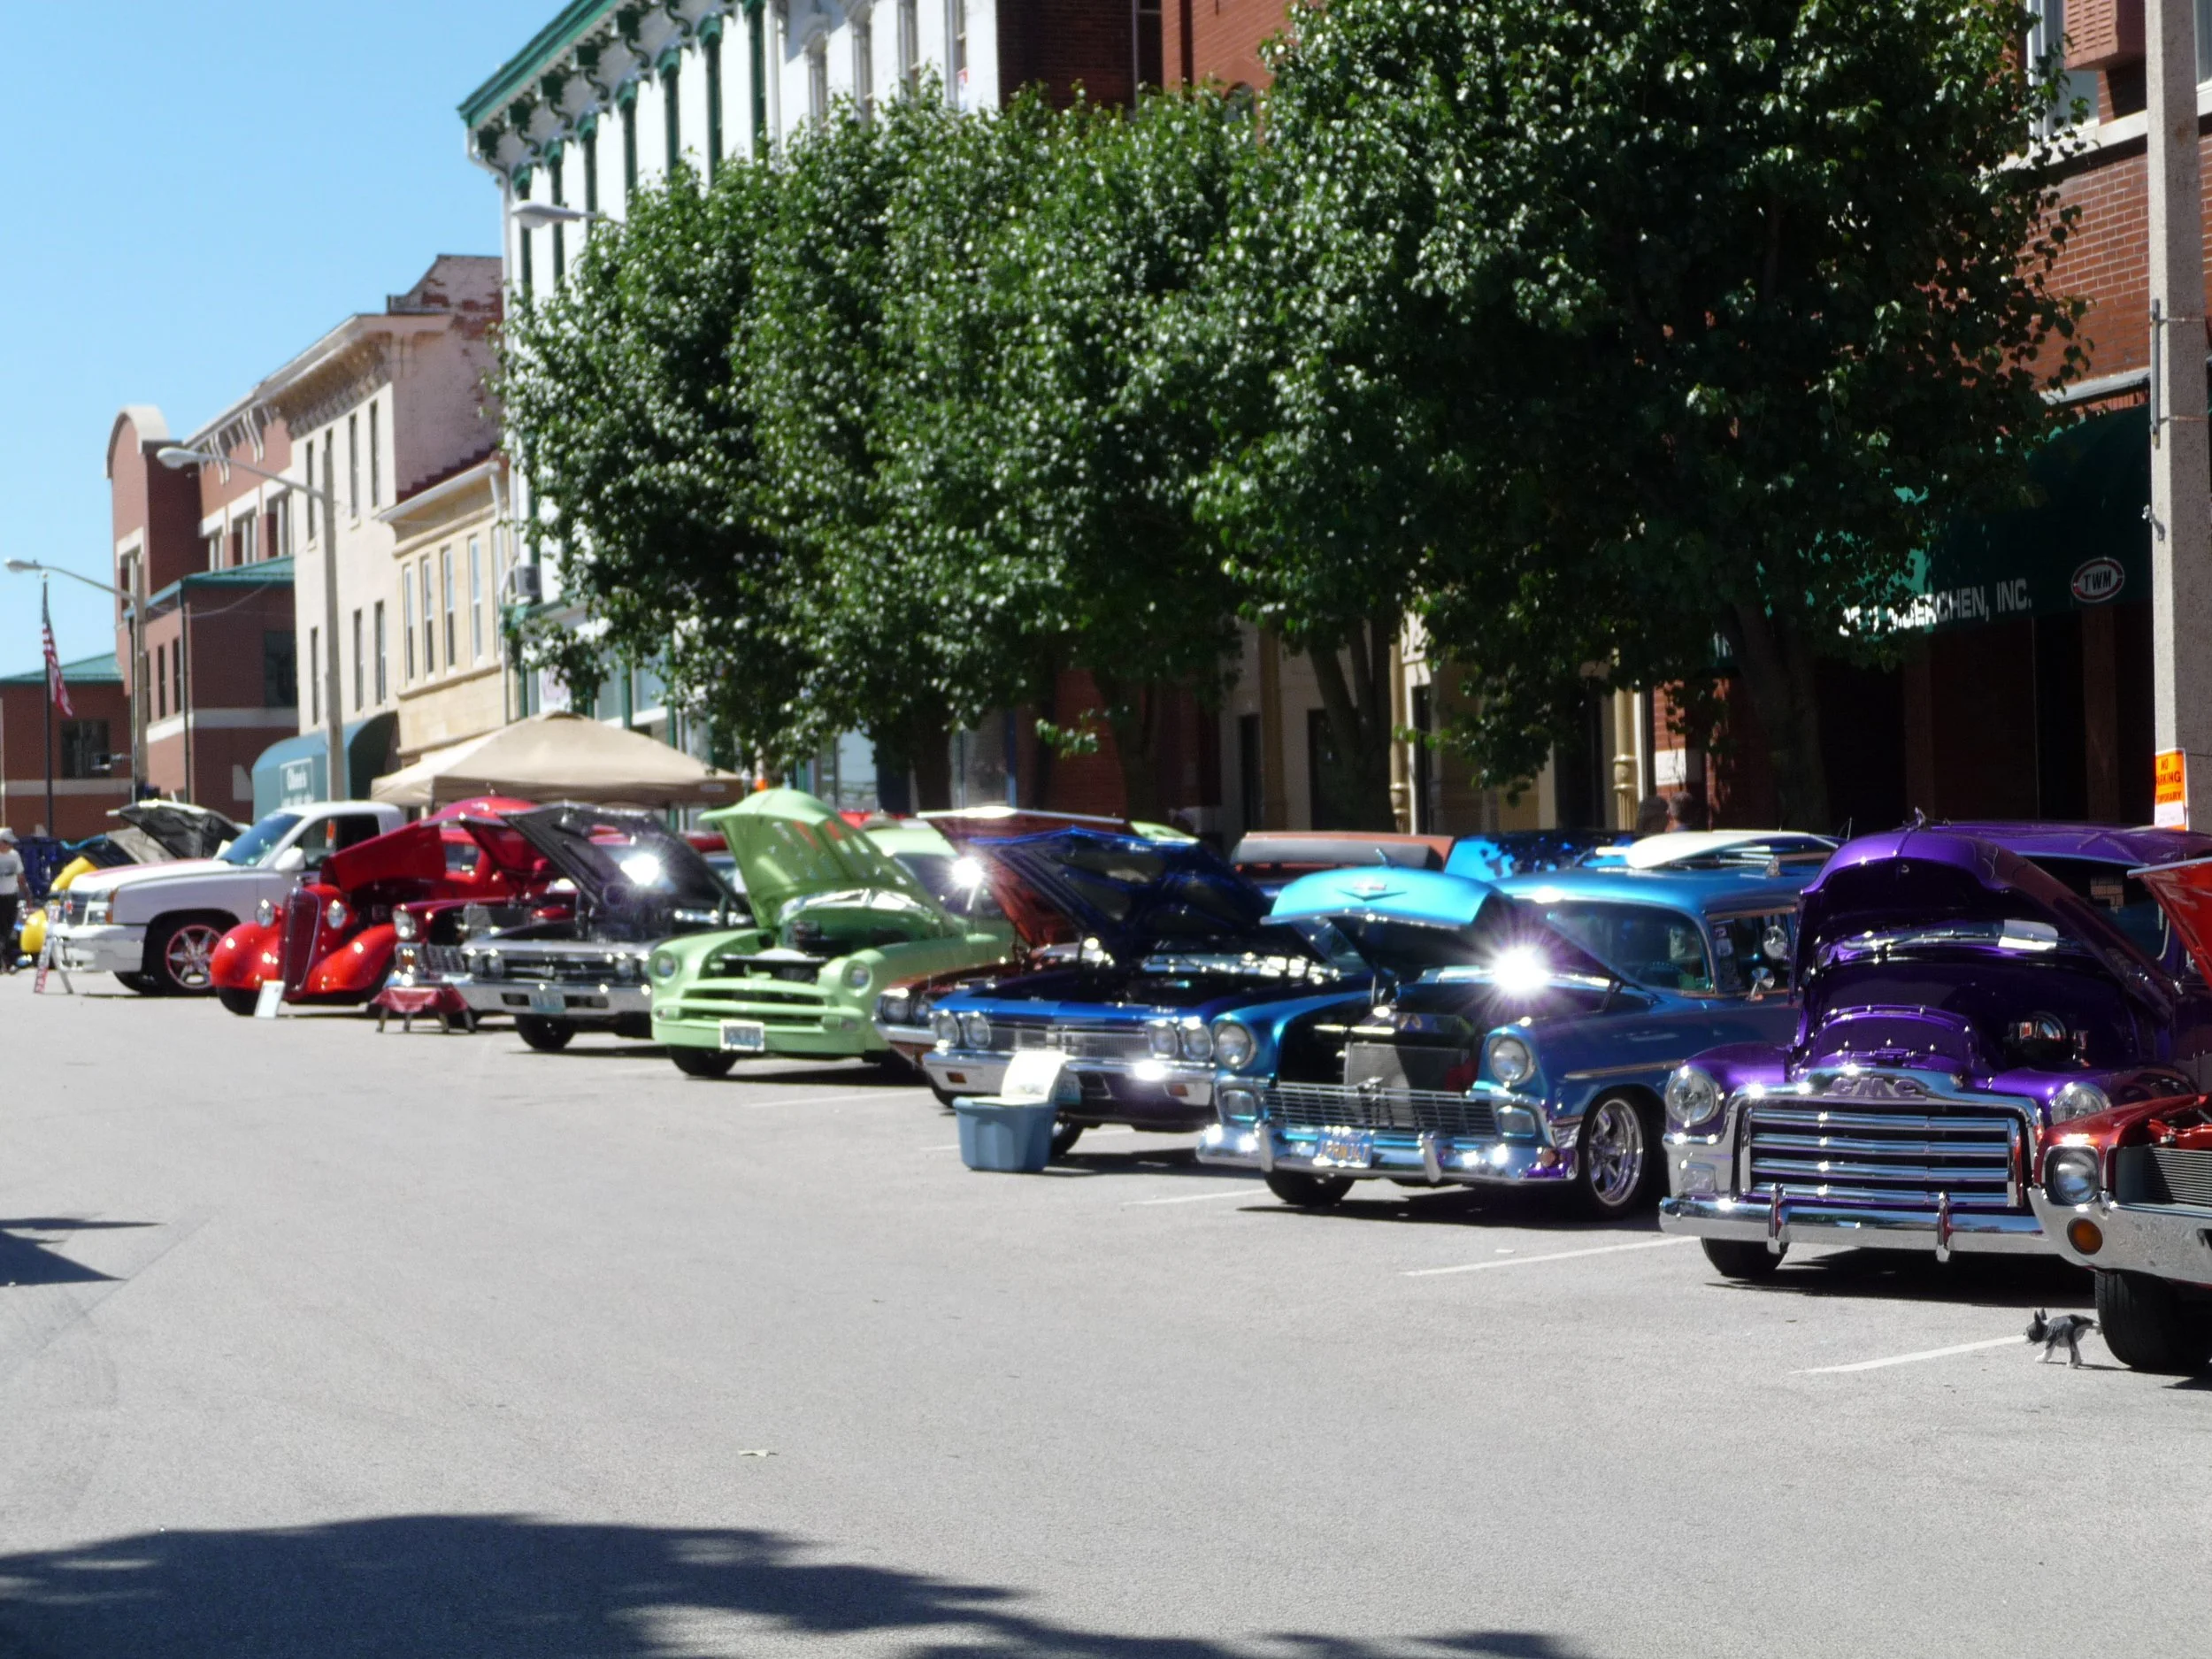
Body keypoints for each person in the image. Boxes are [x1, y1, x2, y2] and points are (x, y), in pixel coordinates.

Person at [0, 828, 22, 973]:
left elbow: (21, 876)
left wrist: (27, 895)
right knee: (1, 930)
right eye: (6, 843)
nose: (9, 846)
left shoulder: (15, 856)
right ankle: (4, 962)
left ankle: (8, 962)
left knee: (9, 930)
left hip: (11, 896)